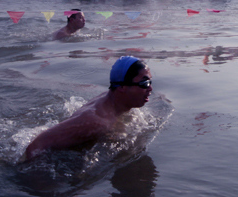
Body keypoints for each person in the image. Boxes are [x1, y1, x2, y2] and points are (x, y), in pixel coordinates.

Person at [22, 56, 153, 162]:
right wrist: (41, 187)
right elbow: (36, 146)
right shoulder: (98, 122)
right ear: (122, 87)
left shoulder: (112, 100)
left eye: (150, 82)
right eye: (144, 83)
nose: (150, 88)